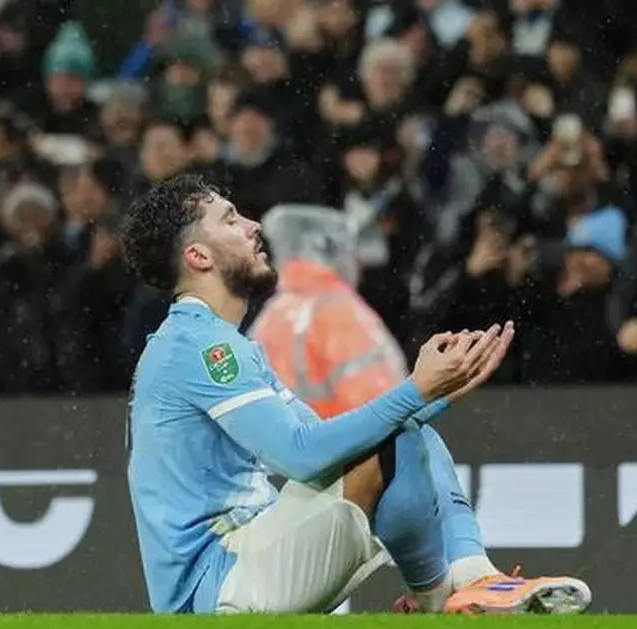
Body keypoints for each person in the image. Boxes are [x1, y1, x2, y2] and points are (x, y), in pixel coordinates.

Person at [122, 175, 592, 614]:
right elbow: (301, 455)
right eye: (230, 220)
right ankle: (449, 594)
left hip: (249, 557)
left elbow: (327, 440)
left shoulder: (209, 342)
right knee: (398, 432)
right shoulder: (200, 347)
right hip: (217, 585)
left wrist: (439, 390)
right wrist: (416, 390)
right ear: (199, 257)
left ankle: (465, 584)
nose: (253, 226)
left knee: (405, 428)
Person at [248, 204, 589, 613]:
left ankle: (452, 584)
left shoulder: (267, 322)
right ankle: (467, 574)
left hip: (273, 508)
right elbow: (385, 416)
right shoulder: (339, 314)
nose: (359, 261)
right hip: (322, 501)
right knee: (413, 436)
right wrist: (437, 389)